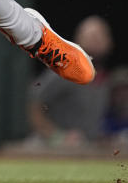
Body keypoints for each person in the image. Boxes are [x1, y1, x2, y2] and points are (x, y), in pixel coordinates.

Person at [26, 16, 113, 146]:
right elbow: (34, 104)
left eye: (100, 36)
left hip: (84, 149)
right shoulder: (65, 68)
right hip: (50, 148)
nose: (96, 41)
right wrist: (57, 136)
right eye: (91, 36)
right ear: (78, 40)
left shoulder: (106, 79)